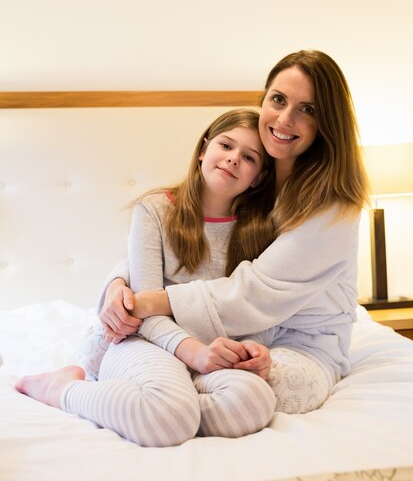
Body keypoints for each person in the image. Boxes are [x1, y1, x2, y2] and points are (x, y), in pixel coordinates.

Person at [100, 49, 369, 415]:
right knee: (178, 383)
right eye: (278, 100)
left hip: (300, 343)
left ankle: (157, 407)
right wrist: (120, 282)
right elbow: (173, 247)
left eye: (308, 109)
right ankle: (155, 401)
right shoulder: (257, 177)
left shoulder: (332, 205)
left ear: (328, 123)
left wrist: (149, 301)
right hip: (234, 335)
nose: (286, 119)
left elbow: (256, 290)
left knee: (238, 398)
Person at [16, 109, 279, 446]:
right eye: (226, 146)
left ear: (257, 177)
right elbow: (144, 308)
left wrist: (252, 350)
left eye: (249, 157)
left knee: (254, 402)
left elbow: (251, 302)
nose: (233, 159)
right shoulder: (155, 210)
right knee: (169, 418)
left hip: (209, 351)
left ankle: (163, 406)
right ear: (203, 149)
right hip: (146, 338)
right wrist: (196, 354)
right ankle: (61, 389)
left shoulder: (260, 229)